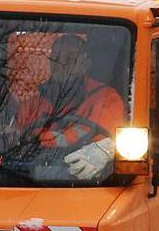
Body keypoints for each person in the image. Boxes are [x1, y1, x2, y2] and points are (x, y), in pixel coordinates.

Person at [8, 31, 126, 179]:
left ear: (86, 64)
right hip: (28, 179)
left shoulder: (105, 98)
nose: (61, 65)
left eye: (70, 59)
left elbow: (104, 141)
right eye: (56, 59)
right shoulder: (32, 104)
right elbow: (14, 141)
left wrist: (36, 139)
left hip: (84, 182)